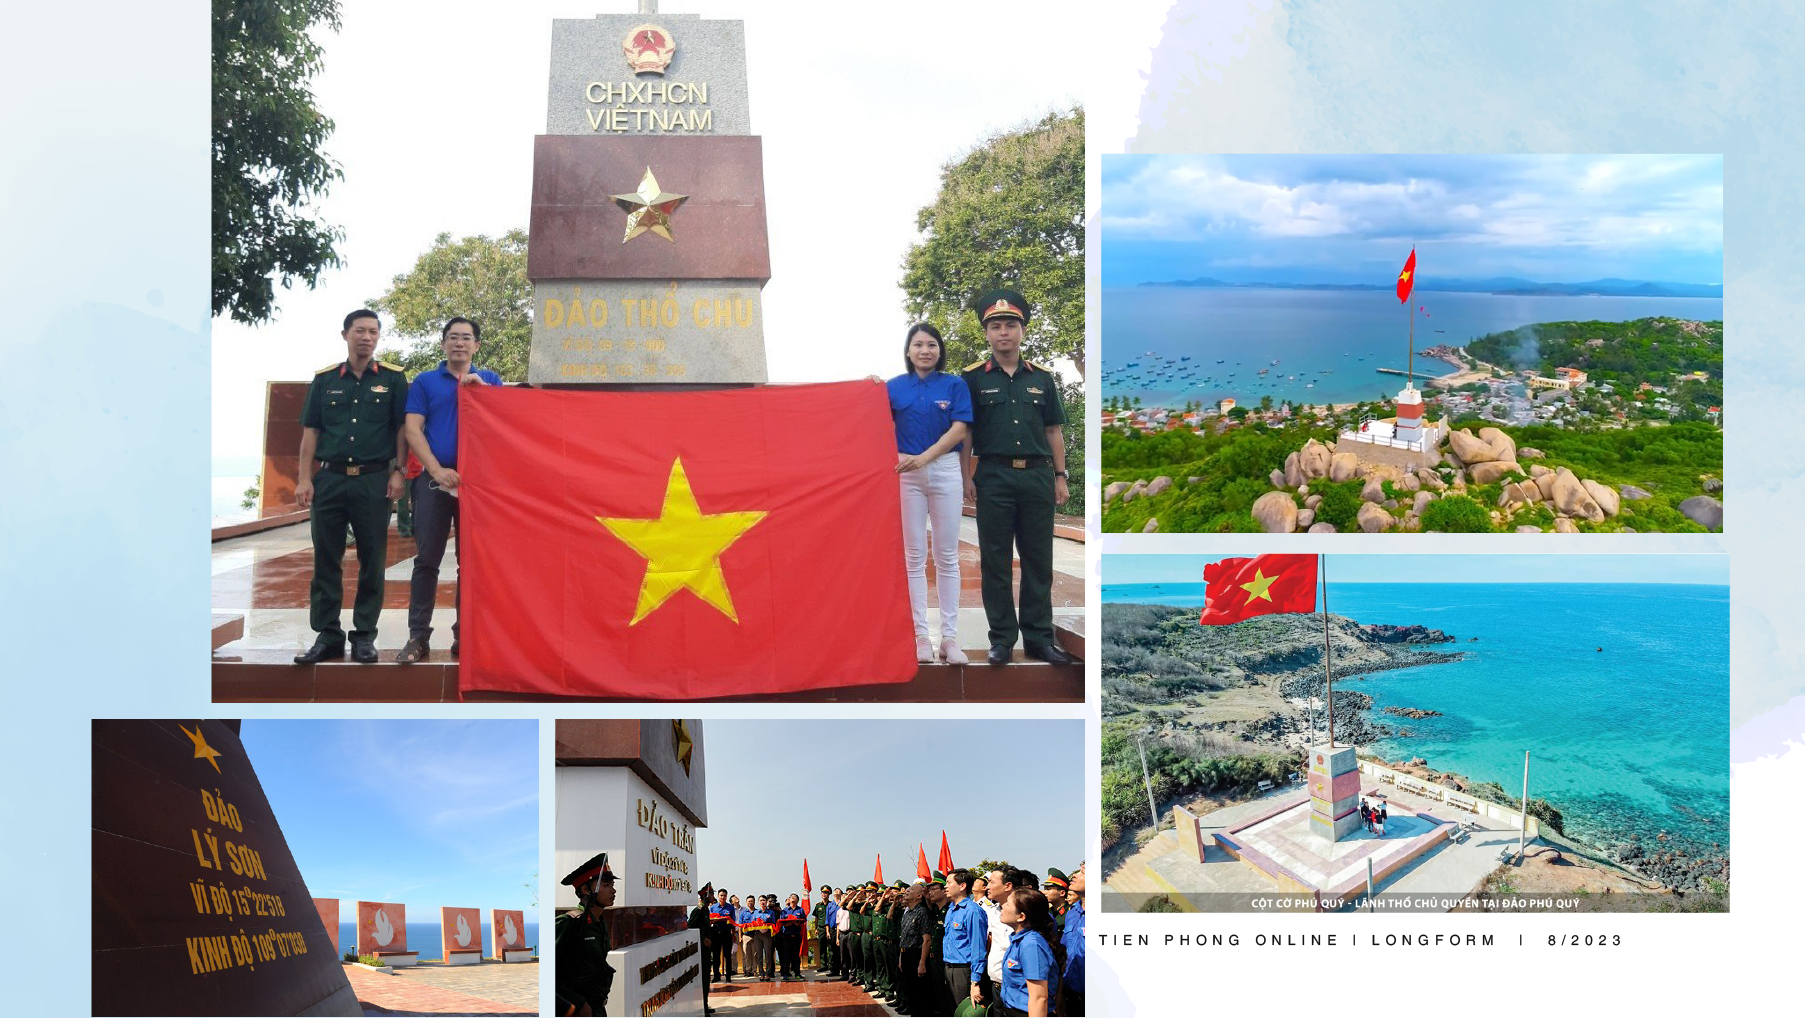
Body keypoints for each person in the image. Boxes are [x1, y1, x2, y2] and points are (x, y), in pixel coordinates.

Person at [961, 289, 1073, 667]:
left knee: (1038, 560)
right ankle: (1003, 641)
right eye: (996, 326)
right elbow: (967, 434)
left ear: (1022, 331)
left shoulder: (1041, 379)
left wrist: (1060, 476)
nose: (1003, 332)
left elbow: (1054, 431)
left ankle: (1040, 638)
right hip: (993, 476)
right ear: (987, 333)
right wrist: (967, 478)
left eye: (1010, 325)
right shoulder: (973, 379)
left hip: (1037, 477)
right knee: (995, 561)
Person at [294, 309, 409, 664]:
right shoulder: (325, 380)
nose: (367, 338)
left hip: (374, 480)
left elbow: (401, 429)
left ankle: (364, 636)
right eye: (360, 331)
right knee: (326, 559)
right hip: (329, 480)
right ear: (345, 334)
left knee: (372, 560)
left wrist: (399, 471)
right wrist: (303, 478)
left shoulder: (392, 379)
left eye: (373, 332)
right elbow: (311, 431)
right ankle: (328, 636)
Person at [395, 316, 502, 663]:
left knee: (470, 563)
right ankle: (417, 637)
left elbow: (506, 425)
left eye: (466, 338)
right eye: (453, 337)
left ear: (477, 346)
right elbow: (413, 429)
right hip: (434, 483)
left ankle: (466, 635)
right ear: (443, 344)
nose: (459, 343)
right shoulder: (426, 382)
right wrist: (437, 469)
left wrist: (482, 394)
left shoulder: (490, 380)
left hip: (478, 487)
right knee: (427, 560)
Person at [888, 322, 975, 665]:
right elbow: (869, 422)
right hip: (906, 474)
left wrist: (927, 457)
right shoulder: (893, 388)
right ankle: (920, 637)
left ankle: (949, 639)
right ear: (908, 351)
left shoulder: (954, 385)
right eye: (918, 345)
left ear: (940, 350)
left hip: (945, 471)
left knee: (947, 556)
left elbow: (961, 428)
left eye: (932, 345)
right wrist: (867, 387)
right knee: (913, 557)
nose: (925, 350)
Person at [555, 853, 618, 1016]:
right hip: (578, 1010)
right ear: (585, 889)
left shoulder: (600, 923)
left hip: (598, 1008)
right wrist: (579, 1004)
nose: (613, 890)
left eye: (612, 884)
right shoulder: (568, 923)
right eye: (605, 885)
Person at [996, 888, 1059, 1018]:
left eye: (1008, 903)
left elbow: (1039, 998)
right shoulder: (1019, 940)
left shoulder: (1031, 944)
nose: (1003, 906)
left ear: (1021, 917)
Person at [941, 868, 987, 1010]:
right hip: (949, 968)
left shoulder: (972, 911)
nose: (945, 886)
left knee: (964, 1011)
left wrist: (975, 981)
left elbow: (978, 948)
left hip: (964, 971)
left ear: (962, 886)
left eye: (949, 883)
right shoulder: (951, 909)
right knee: (952, 1010)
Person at [1060, 865, 1086, 1016]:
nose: (1075, 875)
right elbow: (1064, 954)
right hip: (1070, 995)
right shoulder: (1072, 913)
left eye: (1083, 872)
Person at [689, 886, 716, 1016]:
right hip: (701, 948)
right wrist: (702, 938)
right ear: (705, 896)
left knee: (706, 977)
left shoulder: (706, 910)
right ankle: (702, 1008)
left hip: (707, 948)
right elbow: (690, 927)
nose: (713, 896)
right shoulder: (698, 910)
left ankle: (705, 1005)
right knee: (703, 978)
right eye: (711, 894)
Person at [777, 893, 807, 979]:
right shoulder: (785, 910)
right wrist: (788, 924)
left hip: (797, 936)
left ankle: (797, 973)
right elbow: (781, 922)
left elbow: (803, 921)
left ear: (797, 900)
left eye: (795, 897)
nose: (793, 898)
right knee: (786, 956)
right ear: (789, 900)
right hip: (786, 936)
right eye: (791, 897)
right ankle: (786, 974)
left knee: (796, 956)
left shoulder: (800, 910)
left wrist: (797, 923)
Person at [708, 888, 735, 983]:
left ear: (727, 897)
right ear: (718, 896)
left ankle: (728, 976)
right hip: (715, 934)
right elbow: (710, 920)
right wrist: (718, 920)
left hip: (726, 933)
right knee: (715, 956)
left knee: (727, 956)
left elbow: (732, 921)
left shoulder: (730, 908)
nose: (723, 897)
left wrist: (721, 919)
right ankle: (716, 976)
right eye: (721, 895)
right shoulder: (712, 907)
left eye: (724, 895)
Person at [814, 886, 837, 975]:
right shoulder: (818, 905)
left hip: (830, 929)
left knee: (831, 948)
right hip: (821, 928)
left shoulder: (832, 905)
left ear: (829, 894)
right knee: (822, 948)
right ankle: (824, 965)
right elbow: (816, 917)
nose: (824, 894)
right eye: (822, 893)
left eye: (826, 893)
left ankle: (832, 965)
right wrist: (816, 928)